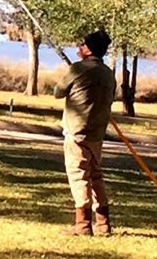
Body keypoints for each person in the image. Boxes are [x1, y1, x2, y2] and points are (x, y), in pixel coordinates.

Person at [53, 29, 116, 236]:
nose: (79, 48)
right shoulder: (108, 73)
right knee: (96, 176)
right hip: (97, 134)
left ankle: (82, 225)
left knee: (79, 176)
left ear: (88, 49)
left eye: (82, 45)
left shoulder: (77, 69)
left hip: (76, 133)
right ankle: (104, 224)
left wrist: (72, 72)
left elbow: (58, 92)